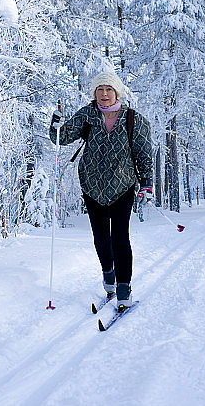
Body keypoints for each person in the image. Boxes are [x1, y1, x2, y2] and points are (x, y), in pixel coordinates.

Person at [49, 71, 153, 310]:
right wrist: (55, 125)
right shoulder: (86, 115)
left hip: (122, 186)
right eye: (100, 90)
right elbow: (62, 138)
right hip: (92, 185)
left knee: (120, 237)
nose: (104, 94)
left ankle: (124, 287)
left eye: (109, 90)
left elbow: (144, 153)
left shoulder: (133, 119)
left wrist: (146, 182)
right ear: (94, 93)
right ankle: (108, 274)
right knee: (100, 237)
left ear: (117, 92)